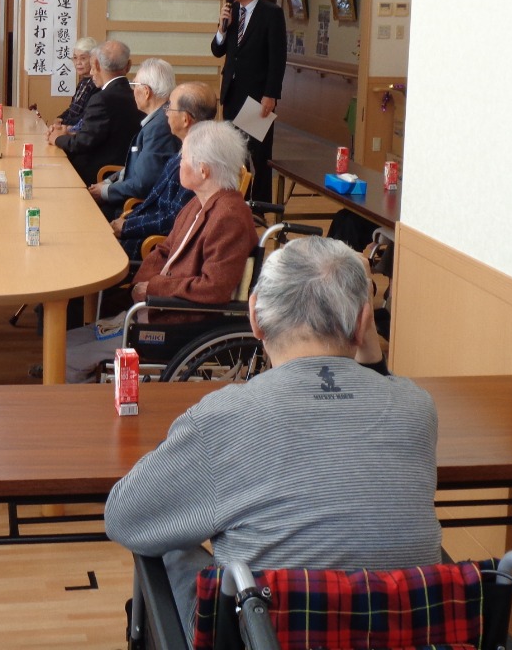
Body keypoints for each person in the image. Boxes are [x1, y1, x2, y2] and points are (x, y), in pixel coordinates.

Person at [104, 236, 440, 640]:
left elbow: (124, 517)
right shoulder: (417, 408)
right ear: (363, 321)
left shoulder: (222, 418)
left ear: (255, 316)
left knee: (166, 531)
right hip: (405, 635)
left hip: (268, 635)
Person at [63, 121, 257, 382]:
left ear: (203, 170)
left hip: (178, 322)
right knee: (64, 341)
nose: (178, 163)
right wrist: (142, 285)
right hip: (154, 308)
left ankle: (83, 402)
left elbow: (214, 288)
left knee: (68, 357)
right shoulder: (199, 202)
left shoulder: (229, 217)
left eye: (183, 157)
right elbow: (163, 250)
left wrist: (154, 288)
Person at [111, 82, 218, 262]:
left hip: (154, 246)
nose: (165, 112)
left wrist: (127, 226)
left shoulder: (198, 163)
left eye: (170, 107)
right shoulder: (188, 148)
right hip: (143, 229)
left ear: (185, 119)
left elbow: (173, 219)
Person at [210, 0, 286, 203]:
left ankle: (261, 206)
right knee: (235, 154)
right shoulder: (232, 11)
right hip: (232, 93)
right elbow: (217, 51)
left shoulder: (271, 13)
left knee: (258, 155)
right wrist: (222, 28)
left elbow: (277, 58)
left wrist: (271, 94)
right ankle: (236, 203)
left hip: (257, 96)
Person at [89, 57, 178, 217]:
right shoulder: (159, 119)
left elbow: (143, 183)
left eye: (134, 85)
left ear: (146, 91)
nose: (132, 90)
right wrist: (108, 182)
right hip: (127, 197)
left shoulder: (160, 127)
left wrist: (105, 191)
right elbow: (137, 167)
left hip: (135, 209)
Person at [46, 40, 140, 185]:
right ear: (128, 66)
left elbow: (83, 143)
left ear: (95, 64)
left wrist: (57, 138)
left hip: (98, 173)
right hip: (122, 169)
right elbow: (98, 134)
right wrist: (68, 133)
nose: (91, 72)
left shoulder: (102, 99)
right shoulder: (135, 94)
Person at [57, 37, 98, 128]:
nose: (78, 62)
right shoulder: (83, 81)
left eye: (83, 58)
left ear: (93, 59)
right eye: (75, 58)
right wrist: (60, 118)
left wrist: (64, 122)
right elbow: (73, 108)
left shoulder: (96, 84)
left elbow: (85, 117)